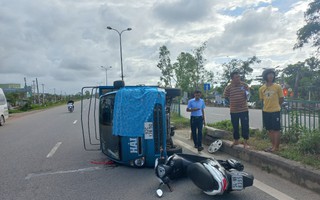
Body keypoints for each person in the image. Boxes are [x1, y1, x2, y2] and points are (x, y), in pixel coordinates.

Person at [259, 69, 284, 152]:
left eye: (272, 74)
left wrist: (277, 106)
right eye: (269, 74)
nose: (271, 76)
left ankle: (276, 147)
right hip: (266, 111)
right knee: (270, 129)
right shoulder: (262, 88)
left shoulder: (277, 87)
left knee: (276, 129)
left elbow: (281, 98)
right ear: (265, 76)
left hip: (275, 111)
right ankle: (272, 145)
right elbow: (263, 100)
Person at [223, 71, 250, 148]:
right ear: (232, 78)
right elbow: (225, 97)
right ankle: (236, 140)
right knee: (235, 126)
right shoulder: (228, 87)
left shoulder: (244, 85)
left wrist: (246, 97)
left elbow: (248, 95)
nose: (238, 78)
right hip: (233, 110)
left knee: (245, 125)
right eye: (236, 77)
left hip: (244, 109)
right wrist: (229, 104)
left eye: (239, 77)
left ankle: (245, 142)